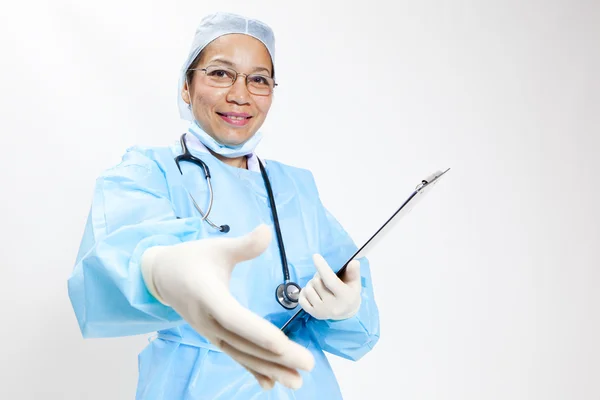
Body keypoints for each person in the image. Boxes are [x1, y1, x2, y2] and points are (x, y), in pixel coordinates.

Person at [67, 11, 380, 399]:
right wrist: (161, 270)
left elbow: (354, 315)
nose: (240, 94)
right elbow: (116, 263)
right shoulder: (149, 171)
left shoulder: (296, 187)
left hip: (302, 386)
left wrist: (345, 309)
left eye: (259, 79)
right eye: (220, 73)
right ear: (186, 85)